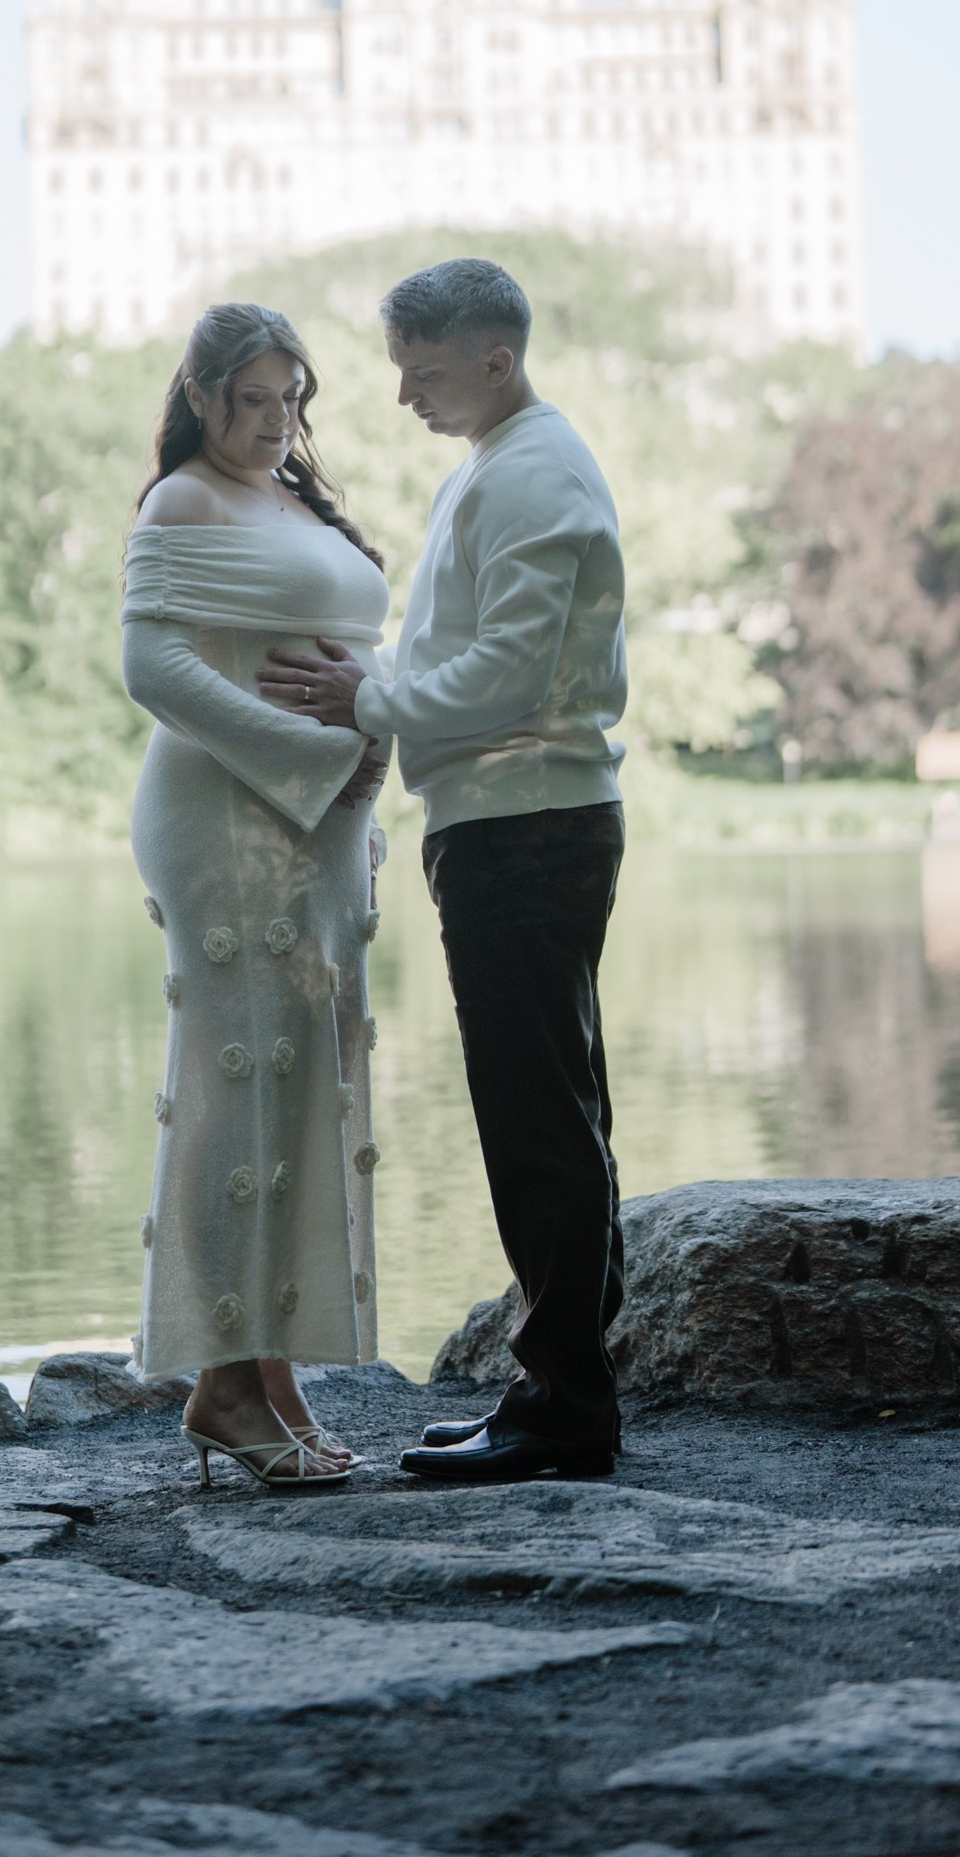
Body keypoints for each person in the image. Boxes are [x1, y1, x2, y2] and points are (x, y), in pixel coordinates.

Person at [257, 256, 628, 1484]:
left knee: (537, 1124)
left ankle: (563, 1411)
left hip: (525, 826)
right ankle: (559, 1393)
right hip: (508, 819)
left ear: (493, 360)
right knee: (549, 1114)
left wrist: (367, 696)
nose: (403, 393)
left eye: (421, 373)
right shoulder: (497, 466)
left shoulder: (530, 474)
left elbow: (507, 680)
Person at [122, 301, 391, 1491]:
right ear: (200, 397)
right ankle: (222, 1386)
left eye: (291, 400)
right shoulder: (181, 499)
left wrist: (368, 732)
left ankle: (272, 1376)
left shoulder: (290, 498)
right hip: (231, 819)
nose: (276, 422)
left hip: (324, 822)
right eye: (251, 400)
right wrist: (315, 760)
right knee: (240, 1095)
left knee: (306, 1091)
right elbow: (152, 665)